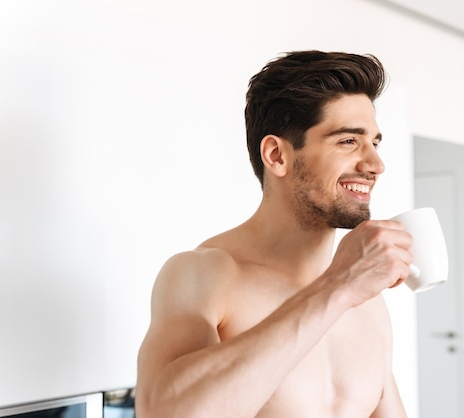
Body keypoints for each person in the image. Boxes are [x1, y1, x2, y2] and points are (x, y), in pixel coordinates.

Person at [136, 50, 413, 418]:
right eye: (348, 141)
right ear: (277, 155)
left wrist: (346, 286)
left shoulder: (368, 303)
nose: (376, 165)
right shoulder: (207, 275)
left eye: (374, 143)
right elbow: (165, 411)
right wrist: (338, 286)